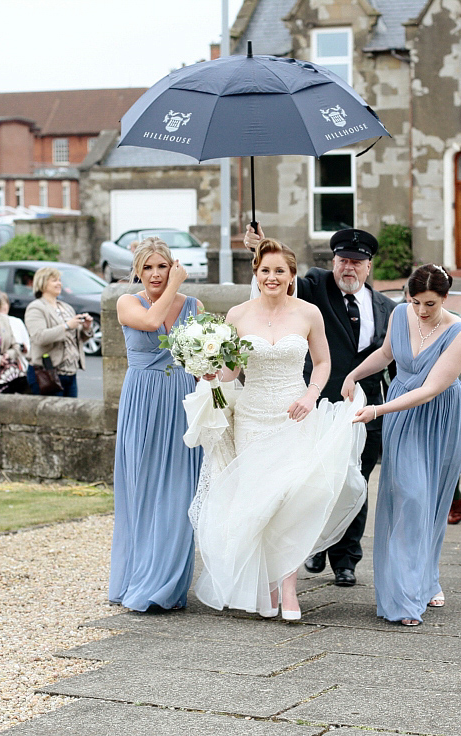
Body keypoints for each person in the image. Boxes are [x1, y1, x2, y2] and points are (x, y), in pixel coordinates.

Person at [192, 239, 367, 621]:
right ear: (256, 273)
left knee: (292, 498)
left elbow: (322, 363)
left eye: (280, 271)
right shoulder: (237, 315)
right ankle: (267, 587)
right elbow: (231, 371)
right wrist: (210, 373)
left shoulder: (308, 313)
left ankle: (288, 586)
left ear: (291, 277)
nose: (272, 277)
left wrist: (311, 395)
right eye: (265, 270)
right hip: (252, 417)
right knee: (261, 502)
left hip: (295, 415)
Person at [244, 225, 398, 588]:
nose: (350, 268)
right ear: (333, 262)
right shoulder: (314, 287)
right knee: (311, 485)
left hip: (364, 411)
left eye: (358, 262)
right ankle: (312, 545)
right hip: (317, 406)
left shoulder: (386, 308)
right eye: (344, 260)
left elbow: (393, 358)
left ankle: (346, 560)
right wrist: (263, 246)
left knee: (353, 482)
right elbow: (281, 276)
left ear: (369, 267)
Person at [340, 264, 461, 626]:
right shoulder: (401, 314)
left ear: (445, 298)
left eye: (430, 303)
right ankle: (404, 594)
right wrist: (354, 373)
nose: (422, 311)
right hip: (403, 413)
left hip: (440, 415)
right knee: (407, 496)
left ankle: (424, 579)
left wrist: (377, 409)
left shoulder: (460, 334)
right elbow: (386, 355)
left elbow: (430, 390)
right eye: (415, 302)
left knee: (428, 500)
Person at [109, 236, 202, 611]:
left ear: (171, 265)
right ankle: (138, 578)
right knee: (143, 492)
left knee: (181, 493)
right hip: (143, 402)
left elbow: (198, 360)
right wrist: (176, 284)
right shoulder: (127, 302)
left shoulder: (193, 307)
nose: (155, 274)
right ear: (137, 270)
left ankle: (167, 584)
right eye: (147, 267)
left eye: (162, 266)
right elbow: (150, 321)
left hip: (180, 399)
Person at [24, 266, 92, 398]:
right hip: (48, 373)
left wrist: (86, 328)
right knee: (51, 416)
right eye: (54, 280)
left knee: (70, 415)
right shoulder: (36, 307)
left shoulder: (66, 307)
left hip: (70, 373)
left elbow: (74, 339)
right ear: (42, 283)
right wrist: (66, 326)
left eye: (59, 280)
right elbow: (39, 337)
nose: (59, 283)